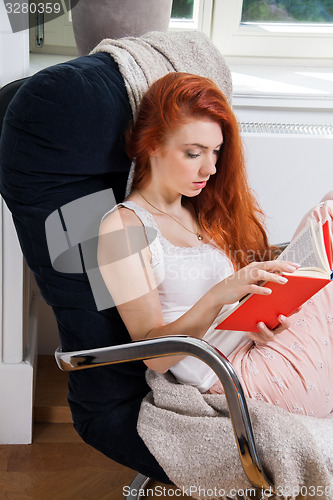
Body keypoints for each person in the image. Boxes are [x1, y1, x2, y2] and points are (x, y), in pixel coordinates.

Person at [98, 72, 333, 418]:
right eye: (194, 153)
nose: (210, 168)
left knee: (325, 216)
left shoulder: (196, 211)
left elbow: (229, 316)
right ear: (151, 145)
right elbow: (156, 355)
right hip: (231, 376)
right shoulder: (123, 228)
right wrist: (220, 293)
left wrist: (263, 317)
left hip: (260, 347)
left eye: (216, 152)